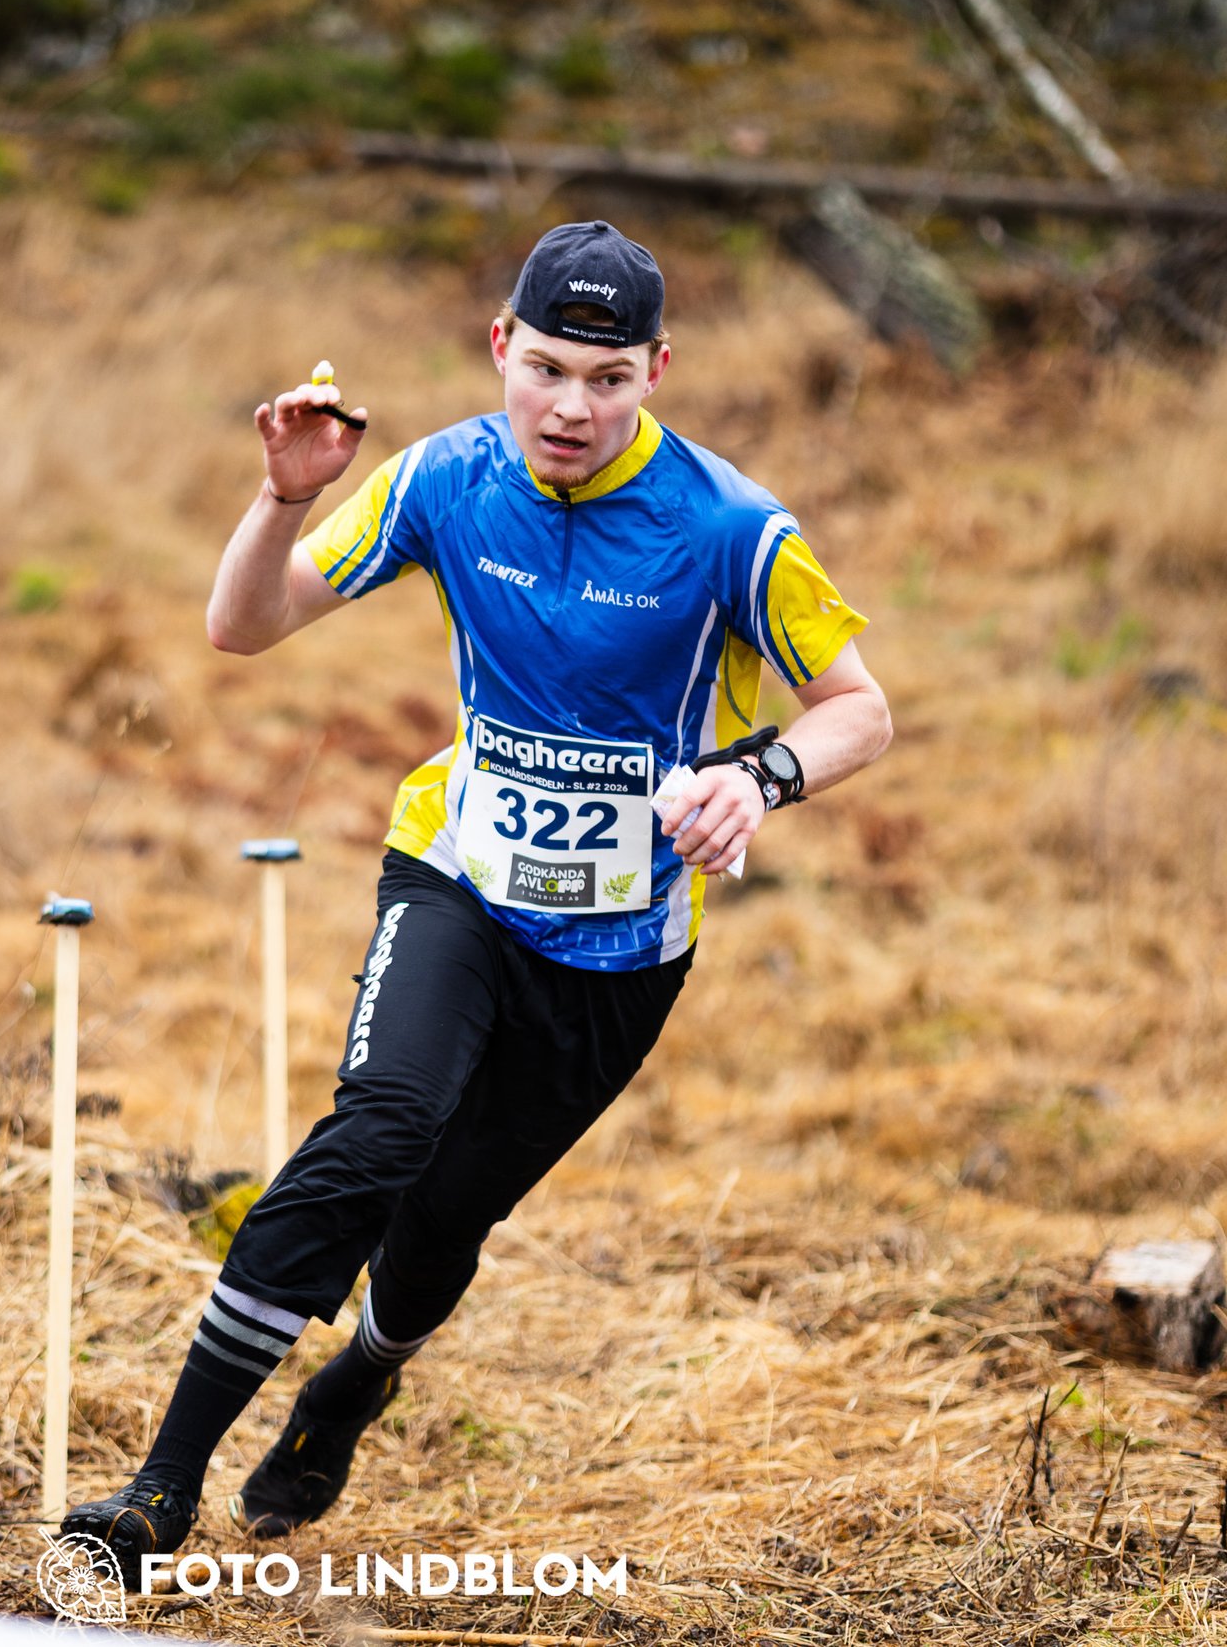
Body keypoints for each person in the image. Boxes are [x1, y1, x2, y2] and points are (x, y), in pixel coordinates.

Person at [61, 220, 893, 1578]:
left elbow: (863, 712)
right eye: (549, 367)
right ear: (501, 346)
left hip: (620, 952)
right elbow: (245, 627)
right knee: (377, 1133)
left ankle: (352, 1387)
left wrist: (763, 777)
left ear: (657, 373)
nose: (571, 408)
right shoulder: (446, 476)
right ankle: (160, 1487)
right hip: (457, 876)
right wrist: (280, 498)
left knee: (445, 1222)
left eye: (609, 379)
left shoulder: (732, 526)